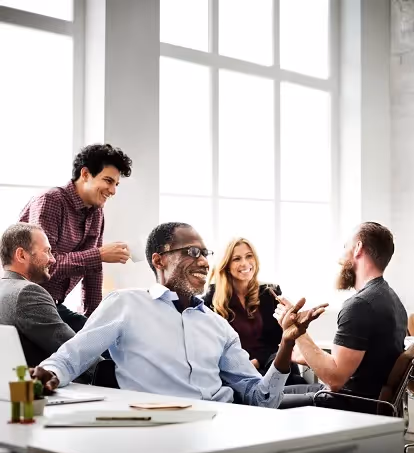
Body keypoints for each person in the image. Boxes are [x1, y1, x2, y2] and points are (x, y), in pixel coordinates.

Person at [30, 223, 326, 408]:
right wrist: (50, 373)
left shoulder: (218, 326)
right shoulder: (126, 304)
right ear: (159, 260)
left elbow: (262, 400)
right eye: (192, 252)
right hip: (159, 427)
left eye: (205, 253)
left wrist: (287, 344)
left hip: (226, 425)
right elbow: (71, 357)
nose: (204, 262)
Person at [275, 222, 407, 411]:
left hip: (348, 406)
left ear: (358, 248)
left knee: (261, 401)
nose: (340, 257)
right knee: (267, 391)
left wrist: (297, 331)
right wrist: (305, 354)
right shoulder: (390, 298)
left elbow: (335, 379)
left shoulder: (360, 305)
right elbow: (363, 363)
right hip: (361, 399)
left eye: (346, 246)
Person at [19, 144, 133, 332]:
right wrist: (99, 255)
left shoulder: (96, 213)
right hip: (27, 303)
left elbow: (93, 273)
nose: (113, 191)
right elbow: (44, 265)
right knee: (79, 351)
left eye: (116, 184)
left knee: (107, 340)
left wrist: (93, 321)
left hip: (53, 304)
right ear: (85, 174)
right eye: (108, 181)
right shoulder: (50, 201)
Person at [203, 237, 305, 384]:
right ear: (226, 265)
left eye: (249, 256)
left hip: (271, 367)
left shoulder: (270, 293)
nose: (245, 263)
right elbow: (213, 347)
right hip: (235, 375)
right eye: (236, 259)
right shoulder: (211, 299)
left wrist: (258, 361)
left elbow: (281, 340)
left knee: (299, 385)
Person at [0, 223, 74, 366]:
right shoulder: (28, 293)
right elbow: (72, 351)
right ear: (21, 255)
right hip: (35, 386)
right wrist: (112, 374)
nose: (53, 259)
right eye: (47, 251)